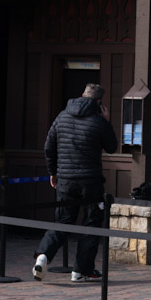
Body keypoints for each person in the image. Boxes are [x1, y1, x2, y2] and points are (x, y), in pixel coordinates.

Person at [32, 83, 118, 282]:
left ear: (81, 95)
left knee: (63, 221)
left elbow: (48, 147)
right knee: (91, 223)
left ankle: (43, 256)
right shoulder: (98, 121)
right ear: (98, 102)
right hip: (91, 181)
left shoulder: (61, 117)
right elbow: (112, 147)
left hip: (65, 179)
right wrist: (107, 121)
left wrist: (53, 172)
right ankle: (81, 270)